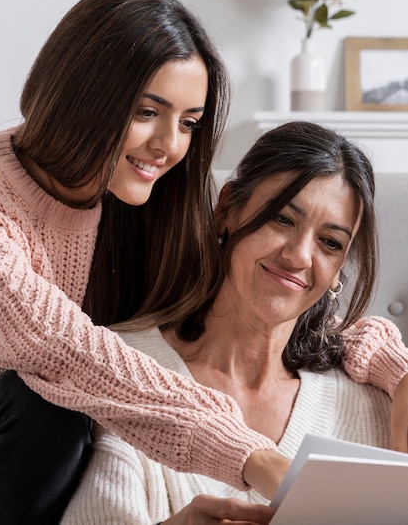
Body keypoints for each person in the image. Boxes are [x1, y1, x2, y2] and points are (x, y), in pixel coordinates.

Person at [0, 0, 408, 523]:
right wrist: (254, 456)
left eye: (188, 122)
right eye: (147, 111)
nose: (169, 144)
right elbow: (68, 354)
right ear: (82, 95)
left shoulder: (135, 193)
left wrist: (398, 370)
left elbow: (284, 300)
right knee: (46, 404)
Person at [60, 121, 406, 524]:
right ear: (226, 210)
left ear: (339, 267)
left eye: (329, 243)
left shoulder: (372, 400)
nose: (298, 256)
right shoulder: (123, 370)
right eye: (282, 219)